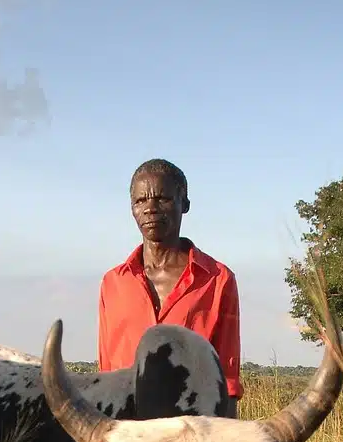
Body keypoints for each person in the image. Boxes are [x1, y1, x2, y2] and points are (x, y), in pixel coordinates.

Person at [97, 159, 241, 416]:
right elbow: (106, 370)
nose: (150, 209)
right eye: (140, 201)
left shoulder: (218, 279)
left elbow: (228, 378)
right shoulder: (113, 282)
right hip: (126, 428)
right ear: (131, 209)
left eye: (162, 199)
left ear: (184, 204)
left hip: (191, 427)